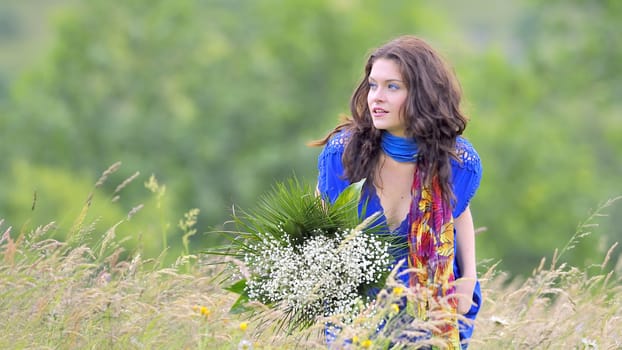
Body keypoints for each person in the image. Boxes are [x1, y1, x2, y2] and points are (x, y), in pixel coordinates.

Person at [311, 35, 483, 349]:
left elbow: (458, 213)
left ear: (423, 93)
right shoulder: (343, 153)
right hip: (357, 305)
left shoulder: (459, 161)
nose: (377, 97)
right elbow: (319, 223)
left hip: (430, 302)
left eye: (393, 87)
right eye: (373, 85)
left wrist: (469, 277)